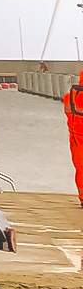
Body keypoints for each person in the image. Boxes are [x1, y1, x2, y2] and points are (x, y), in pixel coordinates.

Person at [64, 80, 83, 209]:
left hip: (75, 137)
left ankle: (82, 197)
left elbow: (68, 113)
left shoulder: (69, 96)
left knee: (80, 169)